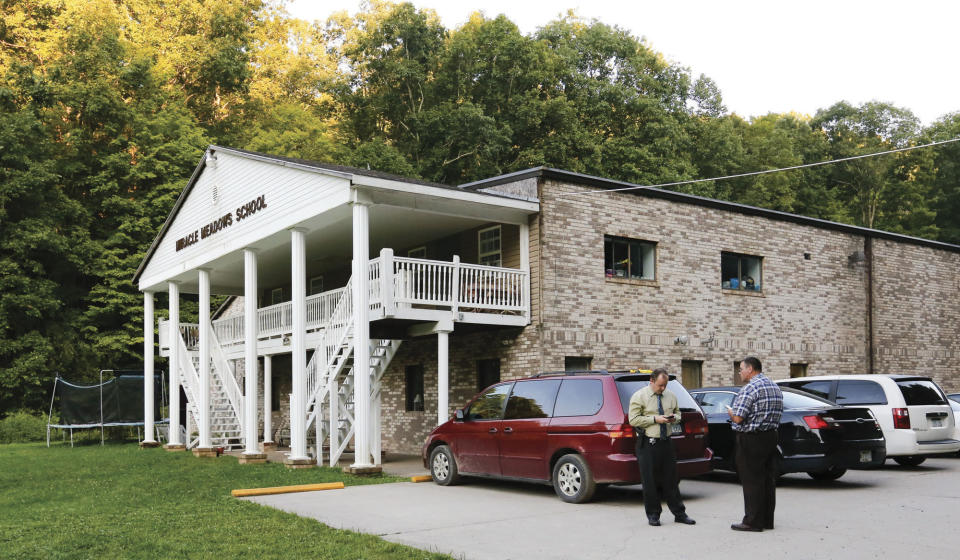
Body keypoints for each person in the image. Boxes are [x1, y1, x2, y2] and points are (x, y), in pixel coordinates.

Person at [628, 369, 696, 526]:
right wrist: (655, 419)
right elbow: (633, 419)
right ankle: (653, 515)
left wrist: (674, 418)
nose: (662, 388)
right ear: (651, 381)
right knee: (650, 481)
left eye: (665, 385)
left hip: (666, 442)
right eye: (660, 385)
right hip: (648, 443)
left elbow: (678, 413)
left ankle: (679, 513)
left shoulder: (671, 396)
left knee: (671, 480)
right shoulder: (639, 396)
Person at [727, 357, 783, 532]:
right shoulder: (774, 386)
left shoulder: (750, 388)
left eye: (741, 369)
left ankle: (752, 521)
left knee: (751, 480)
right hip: (771, 436)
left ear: (750, 369)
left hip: (751, 438)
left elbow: (738, 417)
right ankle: (767, 520)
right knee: (767, 479)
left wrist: (730, 412)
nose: (740, 372)